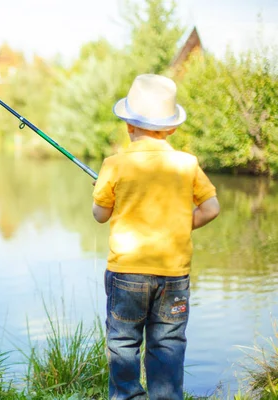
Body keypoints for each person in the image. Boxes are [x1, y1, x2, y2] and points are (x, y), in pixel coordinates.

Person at [92, 74, 220, 400]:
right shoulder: (187, 164)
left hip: (127, 273)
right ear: (172, 128)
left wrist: (103, 195)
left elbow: (100, 214)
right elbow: (211, 208)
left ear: (128, 125)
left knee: (123, 343)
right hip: (174, 275)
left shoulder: (114, 164)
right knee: (168, 344)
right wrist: (180, 223)